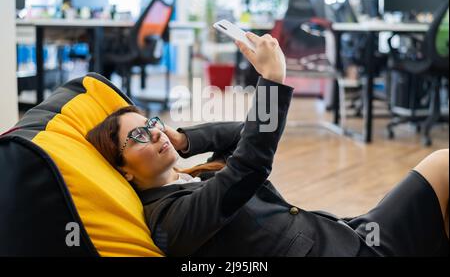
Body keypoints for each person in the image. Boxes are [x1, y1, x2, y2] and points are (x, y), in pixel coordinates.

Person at [87, 32, 449, 257]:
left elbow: (243, 133)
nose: (153, 133)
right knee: (443, 166)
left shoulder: (193, 175)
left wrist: (185, 139)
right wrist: (272, 81)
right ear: (123, 171)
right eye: (136, 136)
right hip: (340, 251)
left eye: (151, 124)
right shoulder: (171, 219)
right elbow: (248, 167)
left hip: (341, 234)